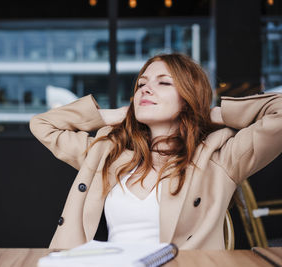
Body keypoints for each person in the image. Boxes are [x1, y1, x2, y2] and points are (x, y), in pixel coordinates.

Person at [29, 53, 282, 250]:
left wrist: (214, 113)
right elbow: (42, 125)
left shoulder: (219, 158)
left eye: (163, 83)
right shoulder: (107, 152)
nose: (145, 90)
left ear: (188, 98)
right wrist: (111, 115)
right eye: (141, 84)